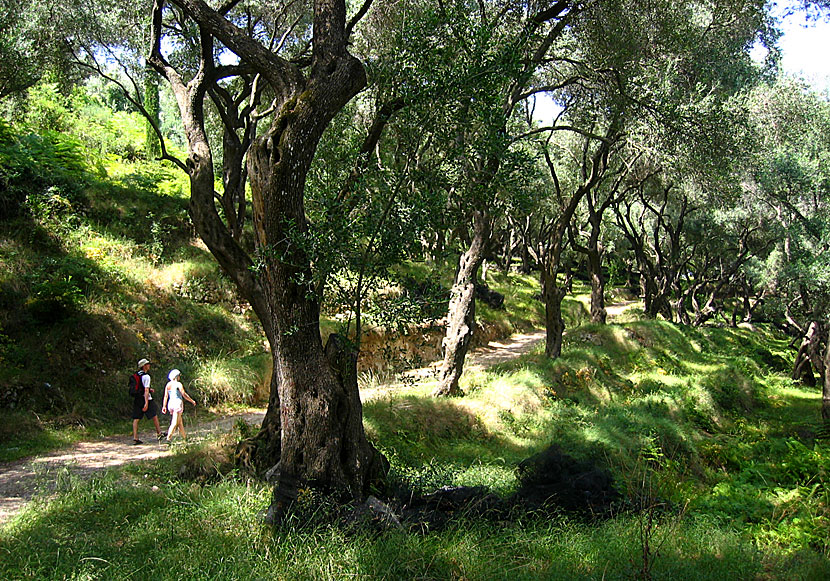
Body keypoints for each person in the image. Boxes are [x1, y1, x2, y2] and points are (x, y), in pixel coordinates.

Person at [131, 358, 163, 444]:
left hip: (137, 399)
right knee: (154, 415)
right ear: (144, 366)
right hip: (146, 398)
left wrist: (149, 390)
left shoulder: (136, 375)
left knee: (136, 418)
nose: (149, 365)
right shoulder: (146, 376)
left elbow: (141, 387)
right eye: (147, 364)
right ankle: (159, 433)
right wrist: (146, 403)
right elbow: (145, 390)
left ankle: (135, 437)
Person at [162, 369, 196, 442]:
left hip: (170, 403)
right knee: (174, 423)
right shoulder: (178, 384)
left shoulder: (168, 385)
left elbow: (165, 396)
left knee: (180, 423)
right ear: (177, 376)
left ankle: (185, 438)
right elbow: (183, 394)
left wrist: (164, 406)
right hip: (177, 403)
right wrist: (192, 400)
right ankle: (168, 438)